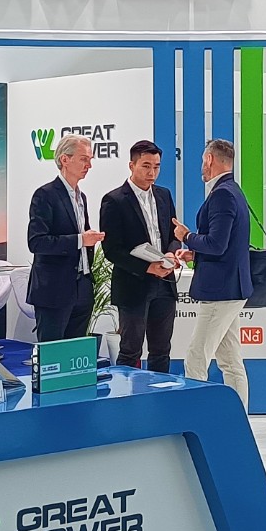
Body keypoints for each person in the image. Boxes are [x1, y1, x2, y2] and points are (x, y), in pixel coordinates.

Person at [171, 139, 252, 408]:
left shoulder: (222, 195)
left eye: (202, 161)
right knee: (230, 361)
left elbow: (216, 244)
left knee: (196, 358)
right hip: (230, 287)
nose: (201, 167)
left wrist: (187, 237)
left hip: (221, 291)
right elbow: (227, 245)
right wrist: (196, 254)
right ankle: (238, 417)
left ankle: (198, 418)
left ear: (209, 159)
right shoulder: (233, 191)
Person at [99, 141, 182, 372]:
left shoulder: (164, 195)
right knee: (130, 350)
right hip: (133, 284)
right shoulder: (114, 200)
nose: (152, 172)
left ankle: (159, 391)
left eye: (156, 166)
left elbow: (173, 235)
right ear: (131, 165)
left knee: (161, 350)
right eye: (146, 166)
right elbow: (112, 250)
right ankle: (125, 393)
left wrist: (171, 253)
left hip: (165, 283)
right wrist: (147, 268)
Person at [27, 135, 106, 342]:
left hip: (82, 286)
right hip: (54, 288)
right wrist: (80, 240)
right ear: (65, 159)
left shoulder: (82, 197)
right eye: (84, 159)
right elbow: (37, 242)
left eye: (90, 160)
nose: (89, 165)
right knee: (53, 352)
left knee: (75, 352)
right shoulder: (45, 195)